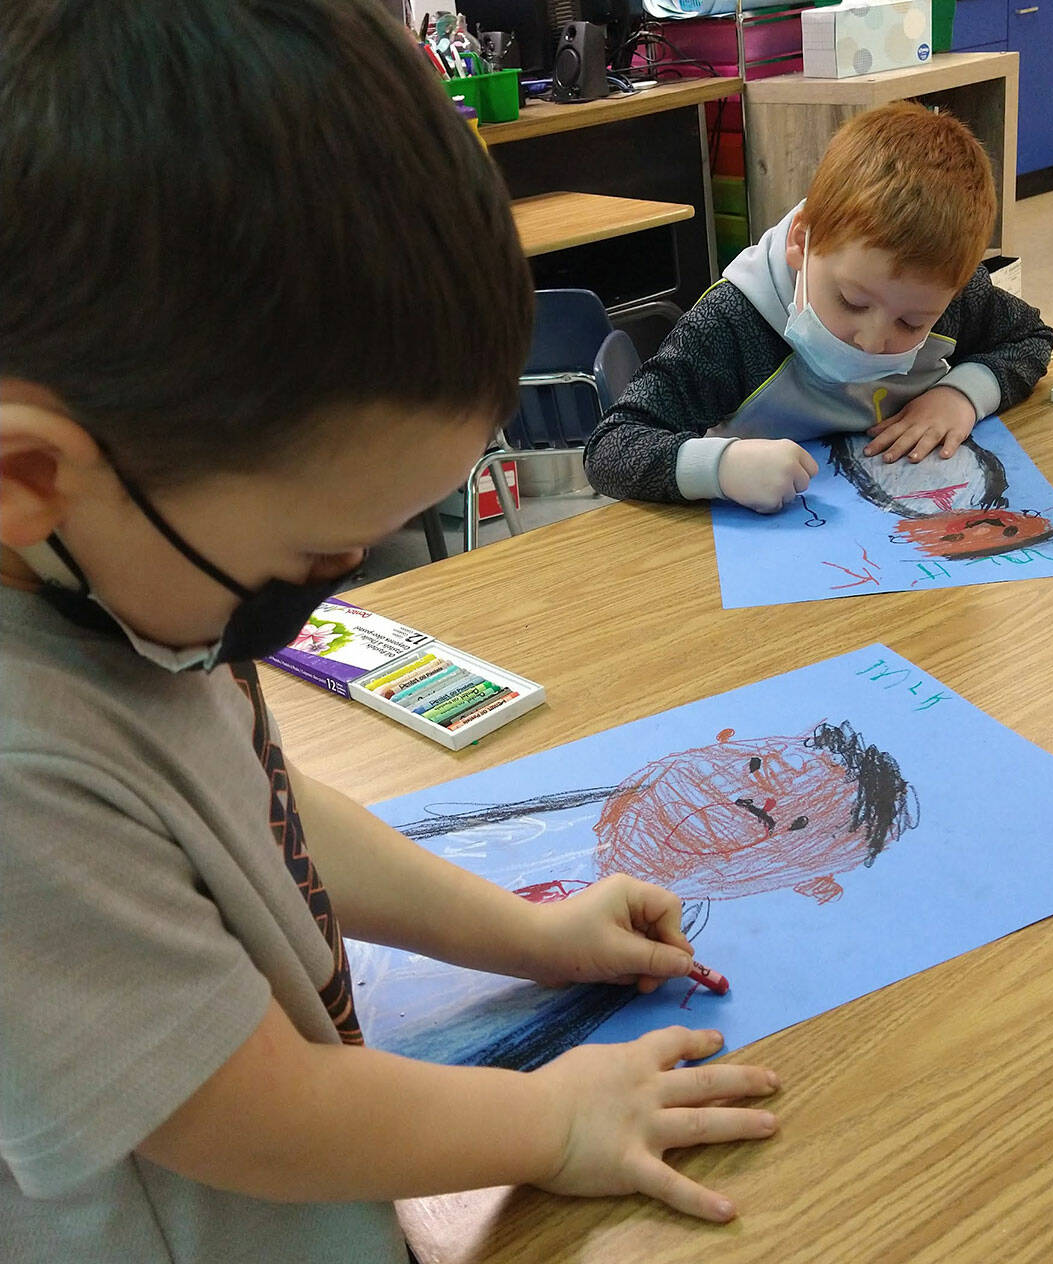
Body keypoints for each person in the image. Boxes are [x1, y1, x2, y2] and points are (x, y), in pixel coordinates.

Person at [0, 3, 778, 1259]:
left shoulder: (110, 580)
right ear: (30, 474)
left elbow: (254, 810)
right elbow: (246, 1117)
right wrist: (550, 1123)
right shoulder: (19, 780)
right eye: (309, 554)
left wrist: (529, 933)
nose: (342, 578)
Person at [584, 102, 1053, 513]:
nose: (871, 340)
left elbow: (1031, 338)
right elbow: (610, 448)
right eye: (851, 301)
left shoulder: (949, 293)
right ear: (801, 240)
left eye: (911, 322)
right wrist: (720, 467)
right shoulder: (731, 323)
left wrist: (960, 395)